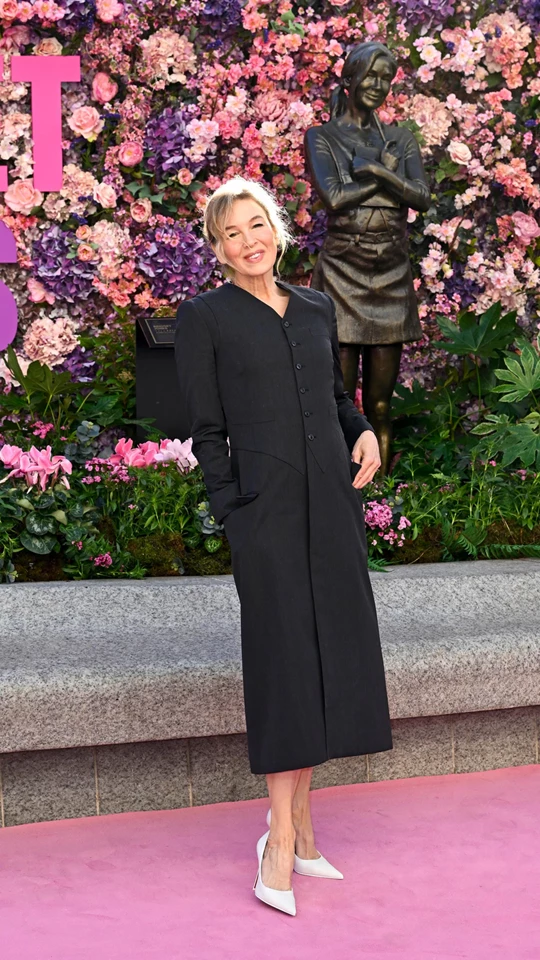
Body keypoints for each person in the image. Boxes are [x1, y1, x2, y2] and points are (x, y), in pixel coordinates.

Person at [174, 176, 393, 917]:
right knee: (283, 662)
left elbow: (335, 398)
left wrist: (360, 430)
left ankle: (300, 831)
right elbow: (207, 432)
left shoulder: (314, 308)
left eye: (256, 224)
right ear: (217, 249)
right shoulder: (205, 318)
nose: (249, 241)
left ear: (275, 228)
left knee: (327, 654)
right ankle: (276, 840)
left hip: (330, 505)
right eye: (231, 233)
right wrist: (234, 513)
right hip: (264, 517)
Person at [305, 41, 432, 474]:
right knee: (339, 401)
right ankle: (340, 491)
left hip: (391, 273)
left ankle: (380, 498)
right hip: (343, 272)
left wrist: (376, 170)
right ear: (349, 78)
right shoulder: (321, 137)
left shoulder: (400, 138)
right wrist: (393, 179)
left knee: (379, 401)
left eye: (387, 78)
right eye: (372, 76)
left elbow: (423, 197)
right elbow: (335, 197)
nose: (379, 86)